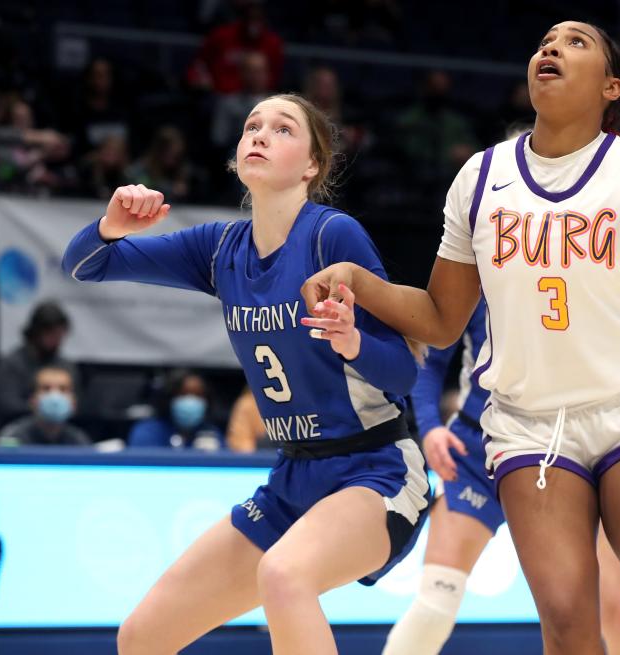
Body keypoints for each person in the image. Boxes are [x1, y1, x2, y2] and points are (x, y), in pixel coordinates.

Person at [302, 20, 620, 655]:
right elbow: (441, 317)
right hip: (527, 423)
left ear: (611, 87)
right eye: (545, 41)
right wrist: (360, 279)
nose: (550, 48)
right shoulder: (479, 177)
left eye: (575, 42)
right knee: (570, 628)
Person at [62, 93, 428, 655]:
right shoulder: (219, 248)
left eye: (282, 129)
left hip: (375, 469)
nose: (260, 134)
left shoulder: (333, 235)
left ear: (312, 166)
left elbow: (403, 374)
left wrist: (353, 342)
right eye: (253, 125)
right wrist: (111, 226)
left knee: (284, 577)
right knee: (141, 637)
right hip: (292, 479)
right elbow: (86, 264)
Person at [383, 299, 620, 655]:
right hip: (476, 449)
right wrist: (432, 428)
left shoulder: (584, 269)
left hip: (565, 450)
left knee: (614, 611)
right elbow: (430, 359)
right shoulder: (480, 264)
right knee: (436, 602)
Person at [0, 301, 79, 424]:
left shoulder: (65, 366)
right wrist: (36, 406)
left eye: (59, 335)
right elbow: (6, 405)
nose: (56, 340)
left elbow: (76, 403)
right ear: (37, 331)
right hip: (17, 429)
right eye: (51, 334)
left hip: (60, 431)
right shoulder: (12, 364)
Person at [128, 369, 224, 450]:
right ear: (169, 398)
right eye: (183, 394)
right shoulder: (147, 431)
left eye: (198, 395)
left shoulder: (212, 434)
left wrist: (214, 456)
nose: (190, 401)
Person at [0, 366, 90, 446]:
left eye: (63, 389)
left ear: (73, 401)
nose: (55, 396)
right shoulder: (13, 438)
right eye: (46, 389)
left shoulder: (79, 440)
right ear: (32, 399)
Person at [226, 386, 269, 452]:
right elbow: (239, 441)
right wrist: (261, 446)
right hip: (257, 455)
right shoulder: (247, 404)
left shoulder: (287, 404)